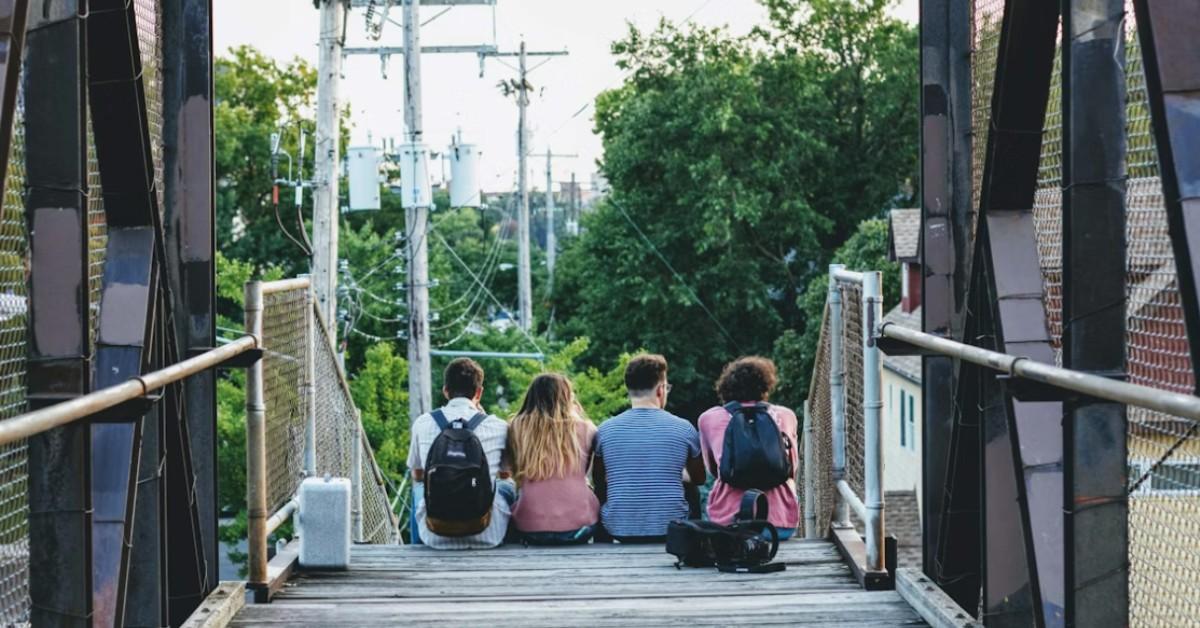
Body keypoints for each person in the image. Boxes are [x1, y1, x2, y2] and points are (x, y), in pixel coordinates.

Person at [593, 354, 706, 543]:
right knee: (691, 490)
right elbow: (699, 478)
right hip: (671, 530)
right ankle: (692, 542)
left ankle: (602, 542)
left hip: (618, 530)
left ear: (628, 389)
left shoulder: (605, 429)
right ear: (661, 389)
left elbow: (598, 480)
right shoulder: (683, 427)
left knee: (604, 489)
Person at [408, 358, 513, 549]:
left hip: (434, 538)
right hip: (488, 534)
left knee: (417, 489)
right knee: (507, 487)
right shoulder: (498, 426)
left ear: (446, 391)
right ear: (479, 392)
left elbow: (417, 474)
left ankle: (416, 547)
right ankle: (513, 545)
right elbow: (505, 475)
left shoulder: (422, 423)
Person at [698, 356, 800, 540]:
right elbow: (791, 468)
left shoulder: (709, 419)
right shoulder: (786, 416)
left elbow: (715, 470)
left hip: (728, 524)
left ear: (725, 386)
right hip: (779, 526)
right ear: (766, 386)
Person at [508, 373, 600, 545]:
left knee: (505, 488)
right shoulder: (586, 429)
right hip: (579, 529)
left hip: (529, 528)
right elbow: (586, 471)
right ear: (567, 398)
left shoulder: (516, 428)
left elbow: (508, 471)